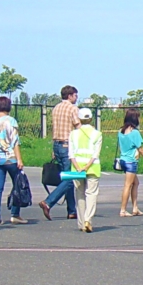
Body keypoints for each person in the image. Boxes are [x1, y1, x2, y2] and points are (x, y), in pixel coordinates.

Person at [39, 85, 79, 221]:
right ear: (69, 96)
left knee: (65, 177)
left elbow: (55, 128)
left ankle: (72, 210)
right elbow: (78, 127)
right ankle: (48, 202)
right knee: (70, 179)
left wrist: (53, 150)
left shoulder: (56, 108)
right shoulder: (73, 109)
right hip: (68, 145)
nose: (76, 98)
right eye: (75, 95)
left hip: (57, 144)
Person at [0, 96, 26, 226]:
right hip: (10, 158)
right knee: (17, 185)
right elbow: (15, 141)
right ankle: (15, 214)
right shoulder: (11, 121)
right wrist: (19, 159)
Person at [69, 108, 102, 233]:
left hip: (77, 168)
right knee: (91, 194)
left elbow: (71, 154)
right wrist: (87, 166)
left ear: (79, 119)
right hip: (92, 167)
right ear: (91, 119)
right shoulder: (97, 134)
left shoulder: (73, 134)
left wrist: (78, 167)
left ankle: (82, 223)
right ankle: (89, 219)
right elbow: (95, 154)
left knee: (79, 194)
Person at [118, 108, 143, 217]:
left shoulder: (120, 131)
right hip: (131, 161)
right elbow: (141, 149)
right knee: (127, 185)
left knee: (136, 183)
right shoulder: (135, 133)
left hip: (123, 160)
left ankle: (135, 207)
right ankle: (123, 210)